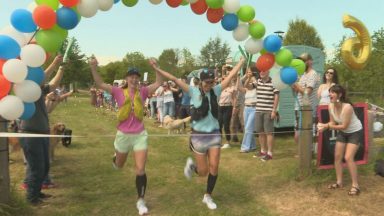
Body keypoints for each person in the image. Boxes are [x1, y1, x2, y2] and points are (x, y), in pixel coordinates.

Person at [149, 57, 245, 210]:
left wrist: (240, 63)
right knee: (203, 171)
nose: (209, 84)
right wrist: (156, 68)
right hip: (198, 136)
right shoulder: (192, 91)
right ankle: (192, 167)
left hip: (214, 134)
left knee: (214, 167)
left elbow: (230, 76)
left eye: (211, 82)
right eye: (206, 82)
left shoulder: (217, 90)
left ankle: (208, 196)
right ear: (200, 82)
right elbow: (173, 78)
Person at [89, 57, 162, 215]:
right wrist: (94, 68)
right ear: (127, 78)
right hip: (123, 135)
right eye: (131, 77)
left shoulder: (143, 91)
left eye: (136, 77)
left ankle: (141, 200)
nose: (134, 79)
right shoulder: (117, 91)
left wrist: (156, 68)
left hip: (140, 135)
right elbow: (100, 84)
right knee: (119, 166)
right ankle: (116, 157)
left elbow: (158, 83)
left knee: (141, 168)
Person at [19, 55, 64, 205]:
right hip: (31, 134)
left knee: (44, 166)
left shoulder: (37, 89)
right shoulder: (25, 88)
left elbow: (51, 85)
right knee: (36, 168)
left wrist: (61, 69)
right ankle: (31, 199)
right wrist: (54, 63)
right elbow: (42, 78)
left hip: (42, 133)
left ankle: (37, 192)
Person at [317, 84, 362, 196]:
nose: (330, 94)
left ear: (340, 95)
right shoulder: (330, 106)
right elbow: (333, 122)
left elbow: (344, 126)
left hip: (354, 132)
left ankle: (355, 186)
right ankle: (339, 182)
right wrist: (323, 125)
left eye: (333, 92)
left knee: (348, 157)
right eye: (329, 92)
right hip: (343, 132)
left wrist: (327, 127)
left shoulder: (347, 107)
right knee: (337, 157)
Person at [291, 53, 320, 144]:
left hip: (308, 108)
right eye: (300, 61)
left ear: (310, 61)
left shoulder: (313, 74)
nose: (302, 63)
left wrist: (297, 85)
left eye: (304, 61)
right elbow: (297, 91)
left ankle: (310, 152)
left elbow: (307, 92)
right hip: (299, 107)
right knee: (297, 130)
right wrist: (292, 85)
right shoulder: (302, 74)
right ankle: (301, 152)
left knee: (309, 131)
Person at [252, 69, 279, 161]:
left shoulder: (274, 82)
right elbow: (247, 86)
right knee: (260, 131)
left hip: (268, 111)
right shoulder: (257, 81)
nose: (261, 72)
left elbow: (276, 96)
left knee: (269, 132)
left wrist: (274, 111)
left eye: (264, 71)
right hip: (258, 110)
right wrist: (248, 78)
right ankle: (263, 151)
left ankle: (270, 153)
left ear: (268, 72)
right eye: (260, 71)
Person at [237, 67, 258, 153]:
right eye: (247, 72)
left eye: (250, 72)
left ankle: (245, 147)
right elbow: (240, 87)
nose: (248, 73)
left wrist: (249, 77)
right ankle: (253, 146)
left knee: (248, 128)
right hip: (246, 109)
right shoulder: (247, 88)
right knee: (248, 128)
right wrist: (238, 77)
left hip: (254, 108)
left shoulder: (257, 85)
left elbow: (249, 84)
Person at [218, 74, 236, 149]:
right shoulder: (220, 89)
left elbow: (234, 98)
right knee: (219, 125)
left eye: (225, 79)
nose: (224, 81)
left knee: (226, 125)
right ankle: (219, 142)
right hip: (220, 107)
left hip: (228, 107)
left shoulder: (232, 88)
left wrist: (234, 107)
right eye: (223, 79)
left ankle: (228, 142)